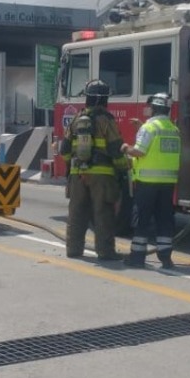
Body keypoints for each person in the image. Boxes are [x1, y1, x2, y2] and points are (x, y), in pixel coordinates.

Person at [59, 79, 124, 261]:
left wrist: (70, 169)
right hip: (102, 177)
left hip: (77, 174)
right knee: (103, 213)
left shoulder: (76, 120)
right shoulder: (107, 120)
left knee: (77, 213)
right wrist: (124, 168)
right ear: (103, 99)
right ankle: (105, 252)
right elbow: (115, 149)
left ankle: (73, 250)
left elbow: (64, 151)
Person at [120, 93, 180, 269]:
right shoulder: (173, 129)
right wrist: (141, 127)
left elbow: (139, 151)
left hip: (147, 183)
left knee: (142, 220)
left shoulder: (149, 127)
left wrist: (125, 148)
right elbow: (158, 150)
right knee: (164, 220)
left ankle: (137, 258)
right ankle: (166, 258)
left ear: (154, 108)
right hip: (167, 184)